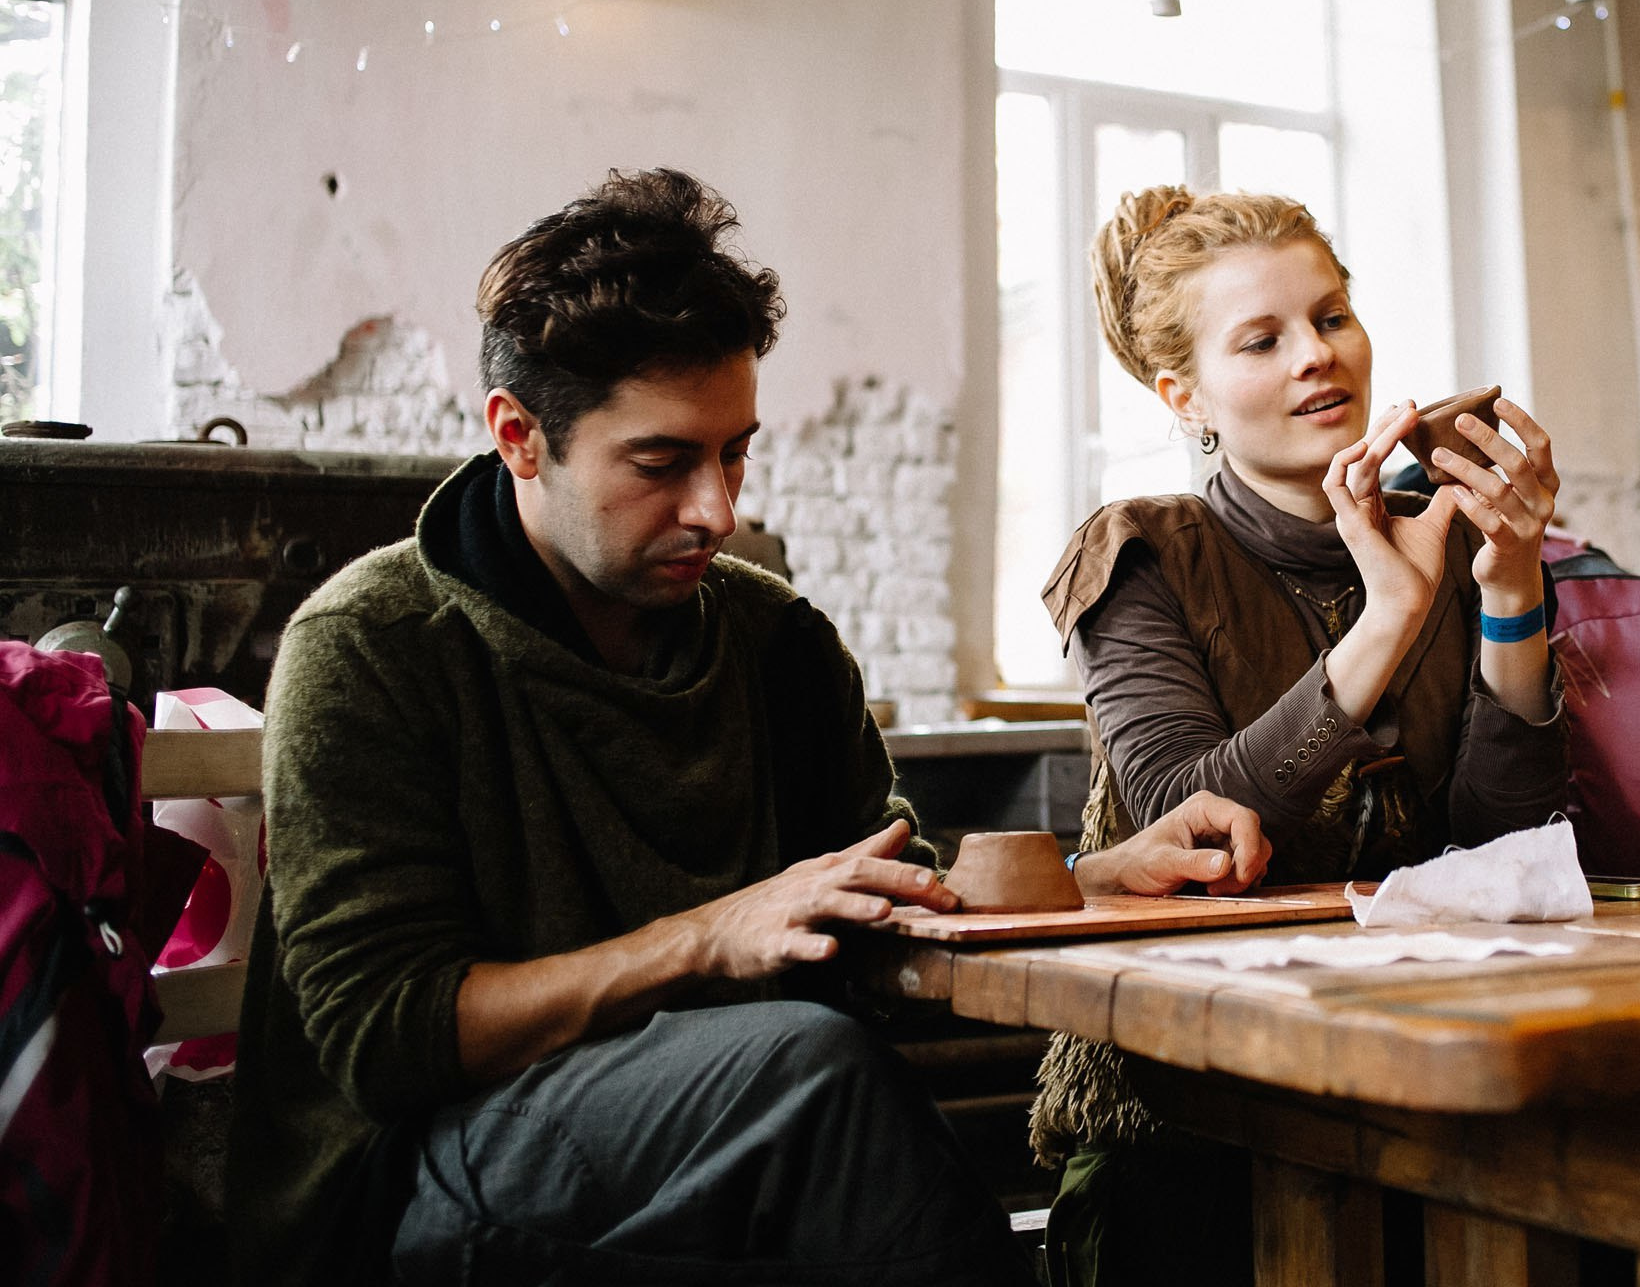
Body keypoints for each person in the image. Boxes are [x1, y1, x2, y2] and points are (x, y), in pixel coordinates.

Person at [226, 169, 1270, 1286]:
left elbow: (879, 909)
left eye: (736, 452)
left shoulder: (774, 639)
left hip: (721, 1156)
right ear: (519, 436)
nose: (718, 511)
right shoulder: (369, 646)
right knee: (814, 1070)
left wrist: (1097, 877)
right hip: (407, 1184)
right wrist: (714, 933)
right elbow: (385, 1038)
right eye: (663, 462)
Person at [1030, 185, 1571, 1284]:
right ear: (1188, 397)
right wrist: (1390, 621)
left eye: (1330, 318)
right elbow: (1192, 813)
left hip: (1425, 1056)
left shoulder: (1439, 525)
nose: (1315, 357)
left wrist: (1511, 581)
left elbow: (1496, 838)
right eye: (1262, 339)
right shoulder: (1141, 554)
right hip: (1191, 1096)